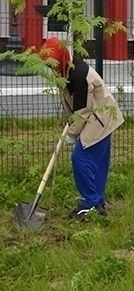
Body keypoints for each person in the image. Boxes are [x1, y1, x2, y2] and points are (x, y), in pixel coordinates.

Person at [40, 38, 124, 218]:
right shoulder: (65, 70)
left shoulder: (78, 75)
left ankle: (90, 202)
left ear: (61, 58)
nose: (51, 67)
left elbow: (82, 111)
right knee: (97, 163)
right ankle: (98, 201)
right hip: (98, 117)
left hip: (100, 118)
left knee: (81, 159)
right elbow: (73, 103)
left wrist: (71, 134)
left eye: (53, 63)